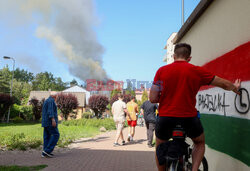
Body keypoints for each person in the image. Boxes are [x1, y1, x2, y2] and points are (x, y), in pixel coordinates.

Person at [150, 43, 241, 171]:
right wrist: (235, 88)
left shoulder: (161, 71)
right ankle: (194, 169)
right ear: (189, 58)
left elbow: (153, 98)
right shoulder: (196, 71)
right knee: (199, 142)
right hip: (188, 118)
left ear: (173, 56)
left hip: (166, 118)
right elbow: (222, 83)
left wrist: (165, 97)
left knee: (160, 144)